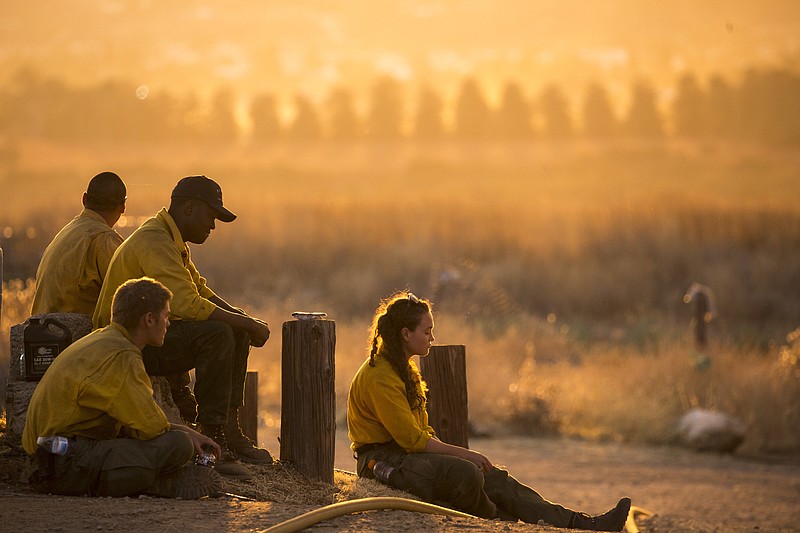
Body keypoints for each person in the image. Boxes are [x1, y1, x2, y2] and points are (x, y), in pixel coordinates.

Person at [347, 291, 632, 531]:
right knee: (467, 471)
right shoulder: (380, 376)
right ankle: (497, 518)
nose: (432, 338)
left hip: (407, 456)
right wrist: (466, 453)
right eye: (427, 331)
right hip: (381, 462)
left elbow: (421, 433)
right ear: (405, 333)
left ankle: (579, 523)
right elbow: (412, 440)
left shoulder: (404, 367)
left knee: (495, 476)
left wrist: (470, 458)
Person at [92, 175, 272, 479]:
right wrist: (244, 322)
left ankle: (229, 428)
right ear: (188, 208)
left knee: (234, 328)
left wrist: (246, 320)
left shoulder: (169, 237)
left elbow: (198, 289)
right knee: (218, 334)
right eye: (211, 216)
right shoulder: (155, 241)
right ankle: (213, 437)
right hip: (126, 348)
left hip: (148, 337)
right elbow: (187, 303)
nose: (213, 226)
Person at [22, 277, 222, 499]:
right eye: (166, 316)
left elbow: (135, 423)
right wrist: (187, 436)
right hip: (63, 466)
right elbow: (151, 428)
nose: (168, 323)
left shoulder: (102, 339)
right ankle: (160, 485)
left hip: (47, 460)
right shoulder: (123, 356)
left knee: (176, 439)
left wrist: (189, 431)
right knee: (179, 445)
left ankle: (152, 480)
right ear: (149, 319)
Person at [31, 171, 127, 316]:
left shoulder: (65, 233)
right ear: (122, 207)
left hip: (41, 332)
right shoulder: (105, 240)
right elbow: (129, 298)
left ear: (84, 199)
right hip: (74, 335)